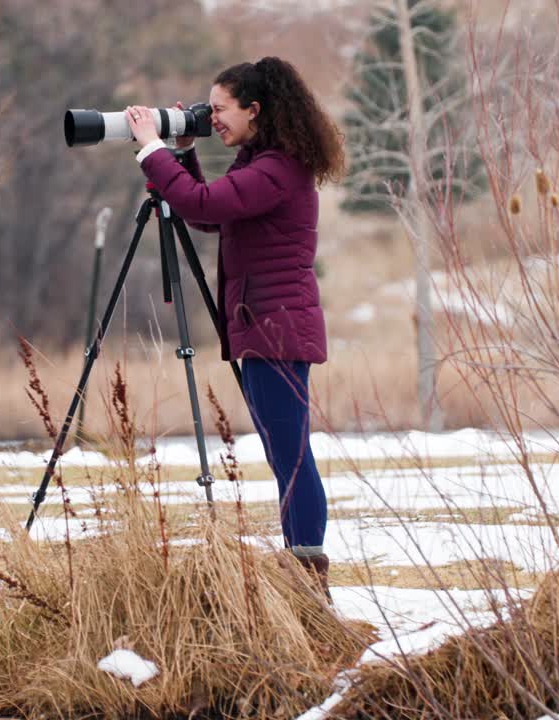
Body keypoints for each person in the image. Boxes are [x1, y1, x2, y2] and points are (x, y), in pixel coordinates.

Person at [125, 57, 346, 600]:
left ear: (255, 109)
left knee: (290, 454)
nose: (212, 118)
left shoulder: (277, 170)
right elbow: (207, 215)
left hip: (275, 331)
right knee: (284, 451)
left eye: (219, 109)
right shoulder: (266, 164)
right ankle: (304, 571)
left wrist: (152, 148)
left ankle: (308, 580)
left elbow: (202, 204)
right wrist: (183, 154)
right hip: (266, 327)